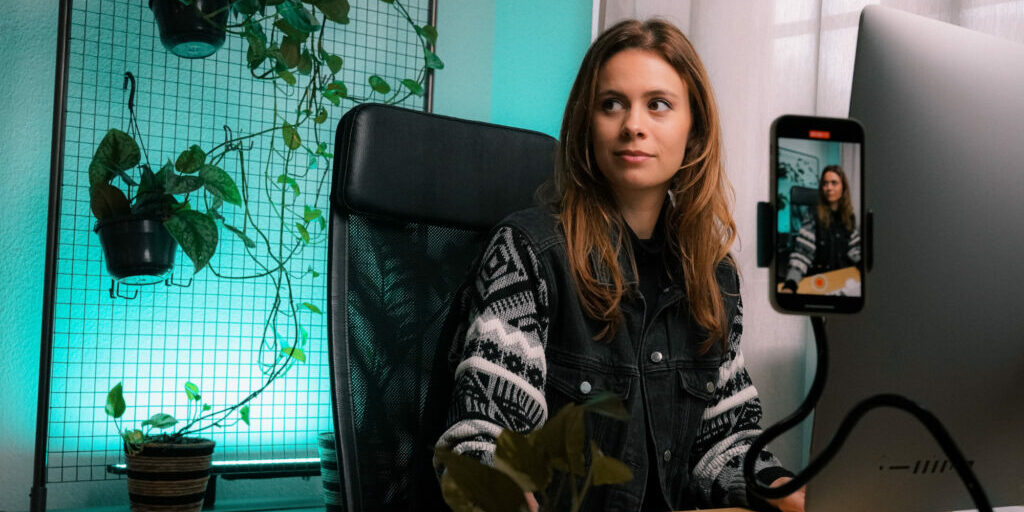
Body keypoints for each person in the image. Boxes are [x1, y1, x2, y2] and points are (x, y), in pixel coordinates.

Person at [435, 19, 804, 512]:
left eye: (658, 104)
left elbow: (726, 442)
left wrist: (783, 490)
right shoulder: (530, 252)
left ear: (693, 132)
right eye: (612, 104)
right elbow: (481, 445)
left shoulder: (712, 276)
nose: (633, 124)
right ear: (588, 128)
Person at [781, 165, 861, 293]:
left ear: (843, 188)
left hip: (843, 279)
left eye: (834, 183)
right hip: (821, 281)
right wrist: (790, 284)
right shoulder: (812, 214)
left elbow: (855, 250)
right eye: (825, 183)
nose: (829, 188)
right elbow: (802, 254)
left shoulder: (849, 216)